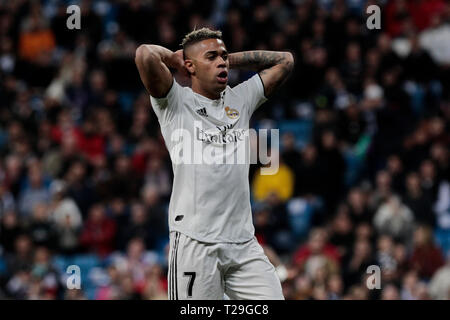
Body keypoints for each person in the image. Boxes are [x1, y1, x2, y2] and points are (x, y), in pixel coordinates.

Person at [135, 27, 294, 300]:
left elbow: (286, 61)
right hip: (195, 244)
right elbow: (144, 54)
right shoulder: (174, 101)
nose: (222, 61)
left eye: (224, 56)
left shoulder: (240, 98)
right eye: (211, 57)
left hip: (243, 244)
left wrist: (229, 58)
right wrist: (177, 61)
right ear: (190, 66)